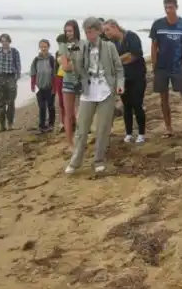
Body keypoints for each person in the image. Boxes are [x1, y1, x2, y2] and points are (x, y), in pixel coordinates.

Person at [65, 17, 124, 174]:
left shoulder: (109, 47)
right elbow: (76, 69)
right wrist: (73, 56)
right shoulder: (82, 46)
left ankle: (99, 160)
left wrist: (120, 84)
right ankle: (75, 162)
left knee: (103, 128)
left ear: (98, 31)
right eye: (86, 32)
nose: (88, 35)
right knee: (82, 128)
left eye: (91, 32)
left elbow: (119, 68)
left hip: (106, 90)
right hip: (88, 90)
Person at [150, 0, 182, 137]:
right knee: (164, 98)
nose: (168, 10)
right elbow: (154, 46)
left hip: (177, 66)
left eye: (171, 7)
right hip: (162, 67)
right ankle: (169, 128)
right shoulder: (157, 24)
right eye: (166, 8)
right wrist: (154, 65)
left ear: (176, 7)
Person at [103, 19, 147, 144]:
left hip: (137, 76)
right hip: (122, 78)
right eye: (104, 31)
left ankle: (141, 134)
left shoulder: (131, 36)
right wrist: (122, 59)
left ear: (115, 26)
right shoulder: (113, 43)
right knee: (126, 106)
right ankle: (128, 133)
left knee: (137, 104)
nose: (106, 33)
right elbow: (118, 59)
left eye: (107, 30)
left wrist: (118, 60)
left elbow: (134, 55)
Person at [58, 20, 83, 148]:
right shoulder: (63, 46)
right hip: (68, 82)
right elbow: (65, 67)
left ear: (76, 31)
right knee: (68, 114)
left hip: (81, 81)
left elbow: (87, 63)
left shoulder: (82, 44)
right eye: (66, 31)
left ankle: (80, 139)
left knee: (81, 113)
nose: (68, 33)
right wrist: (77, 64)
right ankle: (70, 143)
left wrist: (73, 63)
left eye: (70, 31)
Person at [0, 33, 21, 132]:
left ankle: (10, 124)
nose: (4, 43)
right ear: (0, 42)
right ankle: (2, 125)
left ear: (9, 41)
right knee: (1, 103)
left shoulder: (14, 52)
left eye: (6, 41)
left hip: (11, 78)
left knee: (11, 102)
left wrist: (17, 77)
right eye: (2, 41)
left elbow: (18, 65)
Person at [30, 39, 56, 133]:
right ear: (39, 47)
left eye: (45, 47)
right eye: (41, 47)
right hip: (39, 87)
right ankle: (42, 125)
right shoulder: (36, 60)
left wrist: (54, 87)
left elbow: (55, 74)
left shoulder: (52, 59)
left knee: (51, 106)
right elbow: (33, 73)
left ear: (48, 47)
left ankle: (51, 124)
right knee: (42, 107)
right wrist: (33, 85)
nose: (43, 48)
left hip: (50, 87)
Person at [53, 34, 66, 132]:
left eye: (61, 43)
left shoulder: (71, 50)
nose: (60, 45)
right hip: (59, 77)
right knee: (61, 101)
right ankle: (62, 122)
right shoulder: (58, 52)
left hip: (68, 78)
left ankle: (71, 121)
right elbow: (55, 68)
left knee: (69, 102)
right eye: (58, 43)